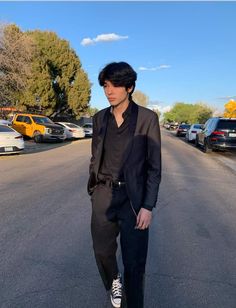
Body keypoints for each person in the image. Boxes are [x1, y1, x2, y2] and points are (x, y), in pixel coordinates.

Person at [87, 62, 161, 308]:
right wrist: (94, 190)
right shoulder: (99, 119)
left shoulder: (147, 119)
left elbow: (154, 167)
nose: (109, 91)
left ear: (129, 87)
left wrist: (148, 206)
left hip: (134, 199)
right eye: (106, 85)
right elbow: (95, 156)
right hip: (104, 194)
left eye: (116, 85)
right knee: (102, 252)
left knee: (135, 263)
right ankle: (113, 280)